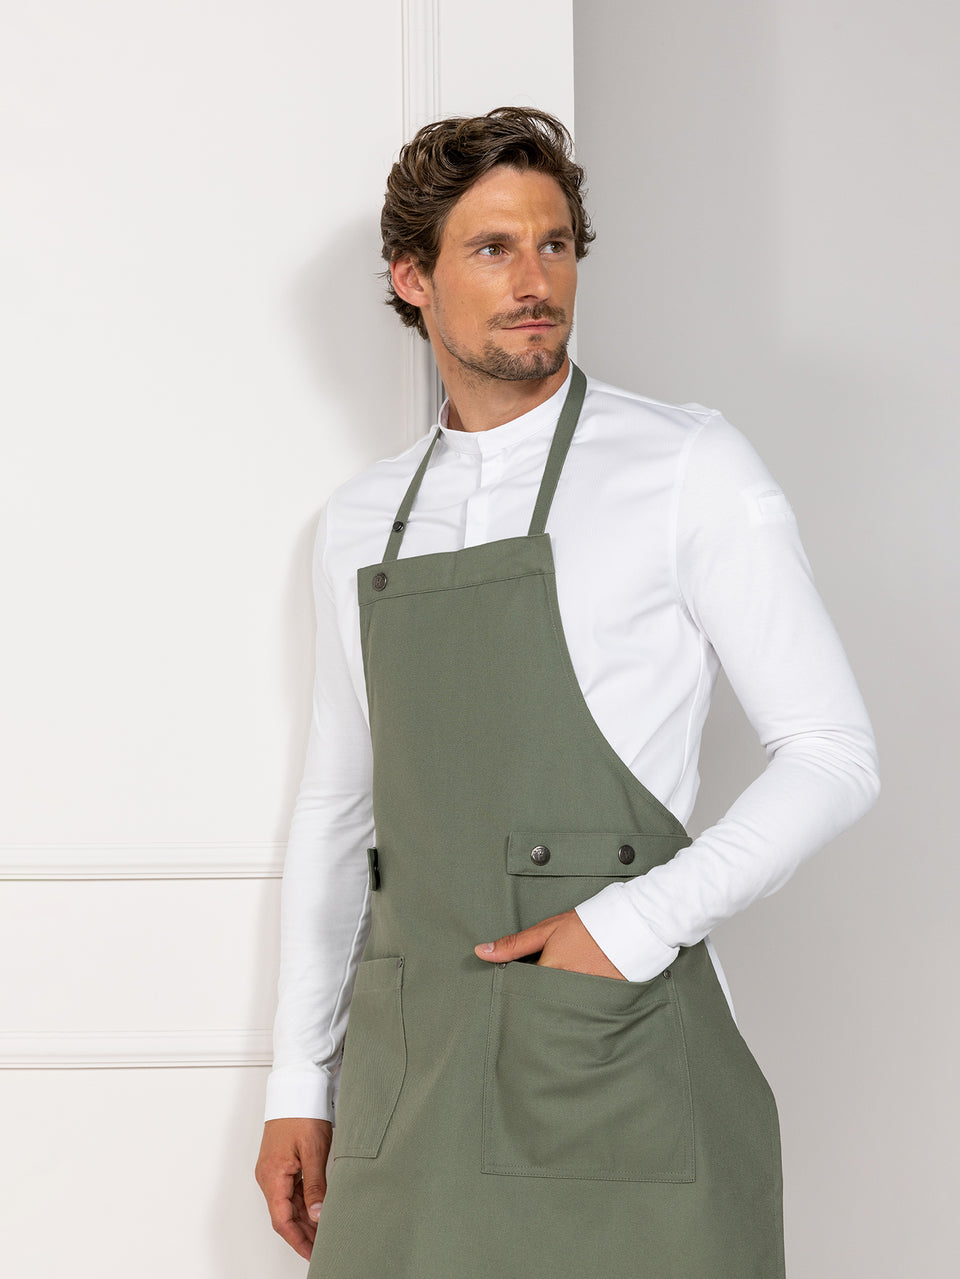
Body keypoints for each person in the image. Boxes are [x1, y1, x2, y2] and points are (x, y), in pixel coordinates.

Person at [255, 107, 879, 1278]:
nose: (535, 280)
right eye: (492, 248)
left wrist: (630, 925)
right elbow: (341, 810)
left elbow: (832, 752)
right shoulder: (358, 519)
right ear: (413, 279)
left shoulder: (686, 465)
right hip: (417, 1073)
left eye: (554, 244)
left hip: (614, 1052)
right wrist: (300, 1077)